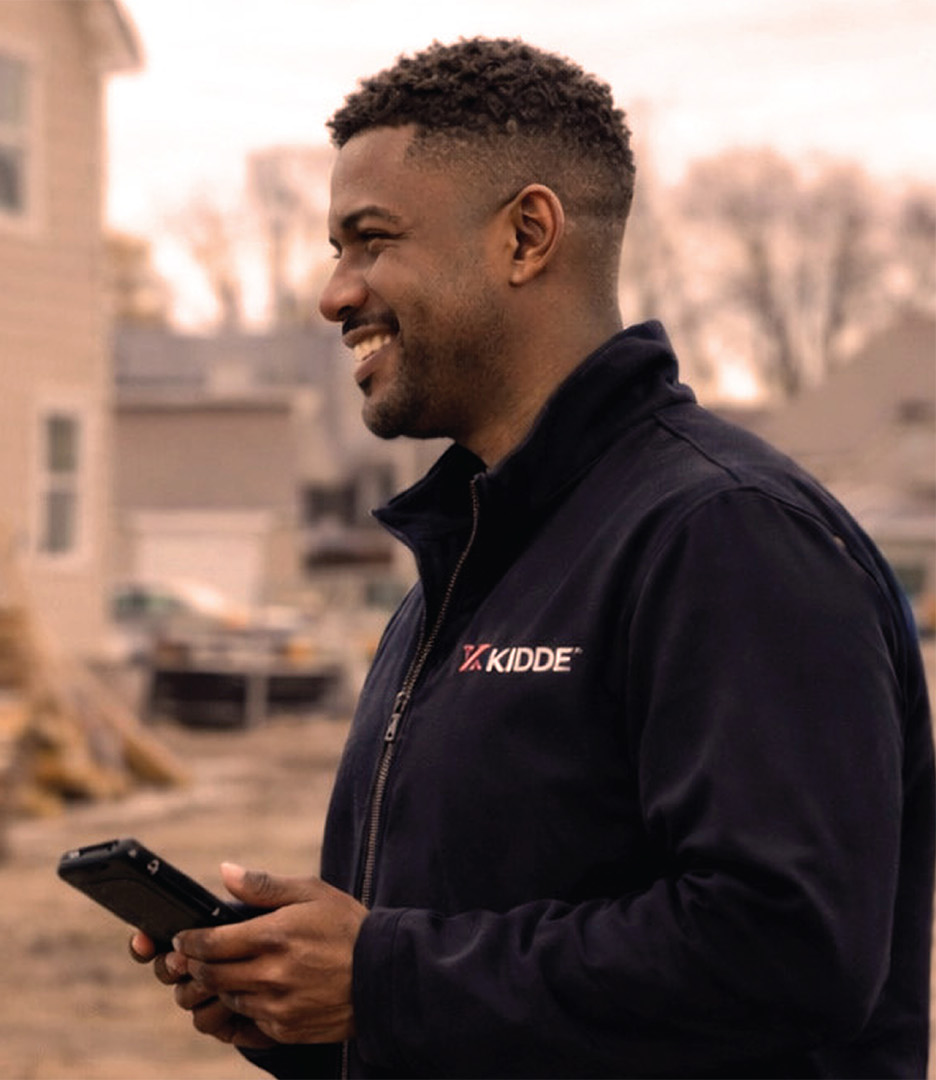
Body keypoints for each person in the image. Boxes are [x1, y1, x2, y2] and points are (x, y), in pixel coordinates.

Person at [132, 37, 934, 1077]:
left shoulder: (724, 535)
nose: (335, 294)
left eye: (369, 241)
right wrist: (302, 1008)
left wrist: (380, 974)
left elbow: (787, 949)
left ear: (526, 235)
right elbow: (472, 983)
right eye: (336, 250)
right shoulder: (467, 564)